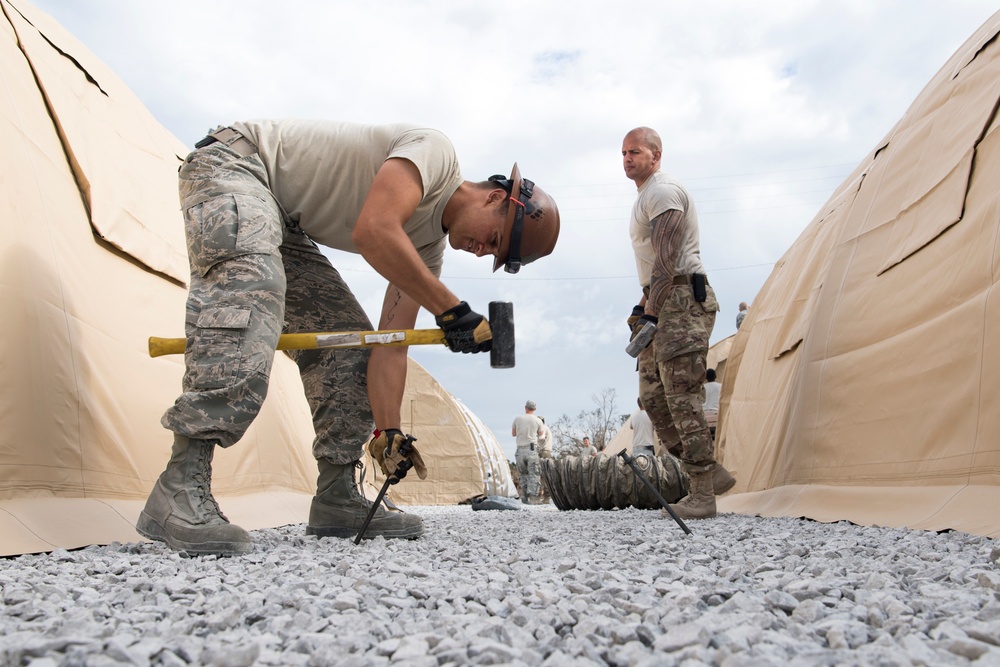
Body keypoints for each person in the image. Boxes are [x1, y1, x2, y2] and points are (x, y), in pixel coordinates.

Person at [137, 120, 560, 556]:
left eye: (492, 253)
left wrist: (389, 430)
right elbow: (374, 230)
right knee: (251, 292)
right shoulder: (435, 153)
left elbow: (391, 344)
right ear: (494, 198)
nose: (482, 251)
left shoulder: (424, 253)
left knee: (349, 343)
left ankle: (337, 495)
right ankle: (180, 485)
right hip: (237, 167)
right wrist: (450, 311)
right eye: (493, 239)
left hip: (282, 219)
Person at [622, 126, 734, 520]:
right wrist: (642, 307)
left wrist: (652, 311)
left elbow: (668, 259)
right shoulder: (645, 196)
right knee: (653, 398)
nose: (627, 159)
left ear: (656, 154)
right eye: (623, 153)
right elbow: (654, 268)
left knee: (682, 397)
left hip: (682, 301)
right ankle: (710, 473)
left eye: (635, 151)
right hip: (661, 300)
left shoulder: (662, 191)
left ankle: (702, 493)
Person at [512, 400, 546, 504]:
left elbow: (513, 434)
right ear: (534, 409)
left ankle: (524, 497)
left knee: (523, 474)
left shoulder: (517, 419)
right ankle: (534, 498)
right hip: (531, 449)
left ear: (525, 408)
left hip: (520, 450)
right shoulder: (538, 421)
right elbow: (541, 437)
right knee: (534, 474)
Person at [703, 368, 722, 439]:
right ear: (715, 376)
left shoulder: (702, 388)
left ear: (706, 377)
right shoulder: (721, 386)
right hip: (717, 414)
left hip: (704, 415)